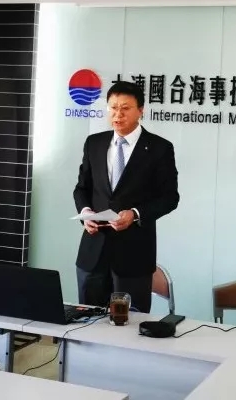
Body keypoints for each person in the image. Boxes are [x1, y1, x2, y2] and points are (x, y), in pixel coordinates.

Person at [73, 81, 179, 312]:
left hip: (134, 255)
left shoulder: (159, 148)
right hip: (93, 253)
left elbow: (170, 197)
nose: (117, 114)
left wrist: (136, 214)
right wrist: (85, 213)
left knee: (130, 323)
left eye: (125, 108)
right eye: (113, 108)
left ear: (141, 110)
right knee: (86, 323)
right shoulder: (94, 143)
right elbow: (81, 189)